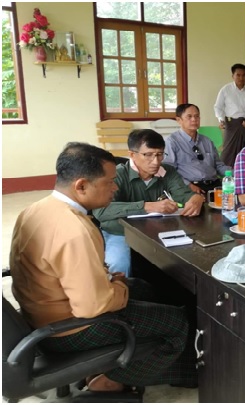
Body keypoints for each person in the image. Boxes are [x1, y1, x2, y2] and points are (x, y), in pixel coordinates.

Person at [10, 142, 196, 391]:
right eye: (109, 182)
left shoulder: (36, 209)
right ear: (81, 185)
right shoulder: (75, 229)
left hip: (37, 314)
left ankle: (115, 363)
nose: (115, 187)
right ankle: (113, 379)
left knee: (143, 287)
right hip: (68, 330)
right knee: (177, 323)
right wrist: (117, 286)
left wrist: (112, 282)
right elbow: (92, 306)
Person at [94, 129, 204, 276]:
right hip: (120, 232)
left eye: (160, 154)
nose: (156, 162)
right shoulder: (117, 175)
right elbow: (101, 211)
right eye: (148, 155)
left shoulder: (167, 172)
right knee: (118, 265)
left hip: (158, 231)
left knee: (188, 259)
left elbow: (183, 196)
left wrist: (196, 198)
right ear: (132, 154)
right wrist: (147, 206)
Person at [164, 103, 231, 193]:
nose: (194, 119)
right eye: (189, 116)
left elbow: (219, 166)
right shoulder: (171, 142)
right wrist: (188, 185)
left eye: (197, 116)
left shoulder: (207, 141)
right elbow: (169, 171)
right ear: (179, 120)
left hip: (214, 185)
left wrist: (237, 174)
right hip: (189, 187)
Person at [214, 63, 245, 167]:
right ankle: (226, 173)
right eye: (238, 75)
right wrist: (221, 120)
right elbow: (218, 107)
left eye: (244, 75)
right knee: (228, 151)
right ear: (233, 76)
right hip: (230, 124)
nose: (241, 78)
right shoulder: (225, 90)